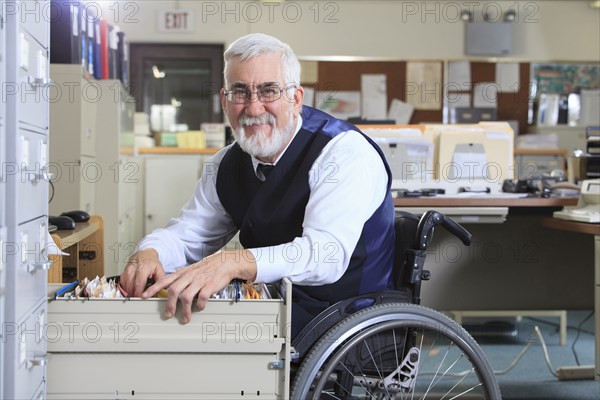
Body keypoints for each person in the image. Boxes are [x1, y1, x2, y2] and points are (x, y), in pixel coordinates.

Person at [119, 33, 396, 337]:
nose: (253, 108)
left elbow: (325, 255)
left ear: (295, 99)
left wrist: (235, 261)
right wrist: (150, 252)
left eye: (268, 91)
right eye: (240, 92)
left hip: (344, 318)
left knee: (205, 331)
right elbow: (189, 236)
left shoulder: (343, 151)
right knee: (168, 315)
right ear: (225, 102)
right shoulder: (225, 165)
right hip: (274, 303)